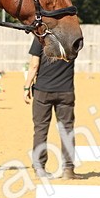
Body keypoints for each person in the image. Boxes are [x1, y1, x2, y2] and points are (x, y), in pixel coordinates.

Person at [24, 38, 77, 179]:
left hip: (43, 90)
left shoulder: (40, 38)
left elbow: (34, 65)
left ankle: (39, 167)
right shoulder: (71, 38)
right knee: (67, 130)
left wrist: (26, 86)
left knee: (40, 129)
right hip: (66, 90)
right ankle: (68, 169)